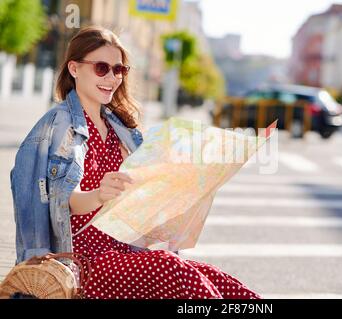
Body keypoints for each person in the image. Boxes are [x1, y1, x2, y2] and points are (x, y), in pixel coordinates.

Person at [10, 26, 262, 299]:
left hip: (124, 249)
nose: (112, 78)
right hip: (83, 260)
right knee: (178, 272)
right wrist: (98, 195)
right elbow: (61, 200)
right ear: (74, 68)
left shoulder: (120, 127)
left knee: (220, 281)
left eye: (119, 70)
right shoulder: (57, 126)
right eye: (101, 68)